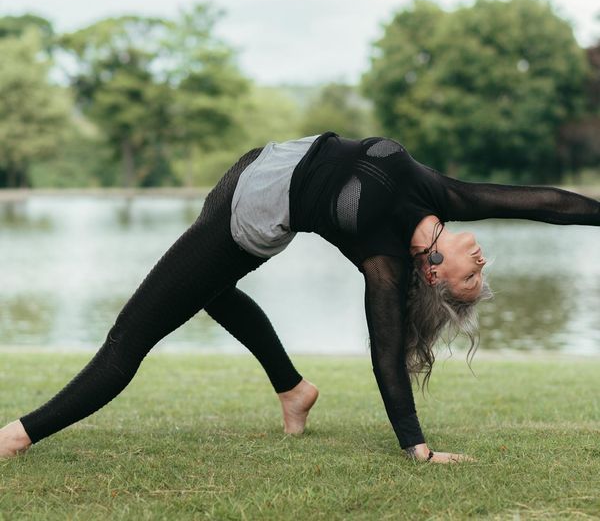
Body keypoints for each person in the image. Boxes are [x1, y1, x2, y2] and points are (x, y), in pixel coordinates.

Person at [1, 131, 598, 464]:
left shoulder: (384, 264)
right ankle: (293, 388)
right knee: (206, 291)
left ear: (435, 276)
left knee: (130, 335)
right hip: (258, 165)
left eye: (474, 280)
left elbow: (386, 359)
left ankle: (18, 434)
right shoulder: (445, 196)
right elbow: (546, 204)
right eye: (481, 274)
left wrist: (417, 448)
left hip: (245, 218)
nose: (484, 264)